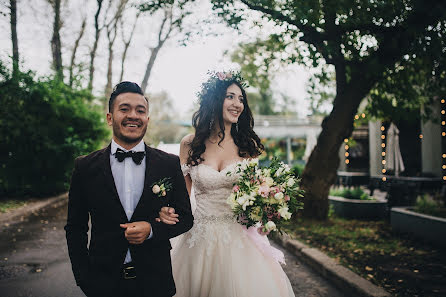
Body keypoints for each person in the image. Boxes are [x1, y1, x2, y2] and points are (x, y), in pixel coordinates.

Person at [158, 72, 295, 297]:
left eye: (241, 99)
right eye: (230, 97)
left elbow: (256, 193)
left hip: (240, 240)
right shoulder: (190, 144)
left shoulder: (249, 147)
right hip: (198, 238)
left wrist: (267, 206)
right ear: (215, 100)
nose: (237, 104)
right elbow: (181, 196)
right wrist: (166, 209)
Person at [64, 81, 193, 297]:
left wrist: (152, 229)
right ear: (109, 117)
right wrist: (83, 277)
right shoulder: (85, 167)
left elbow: (186, 218)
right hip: (103, 283)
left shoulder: (168, 164)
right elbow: (75, 228)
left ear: (147, 120)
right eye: (124, 109)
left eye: (140, 111)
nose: (133, 115)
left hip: (155, 282)